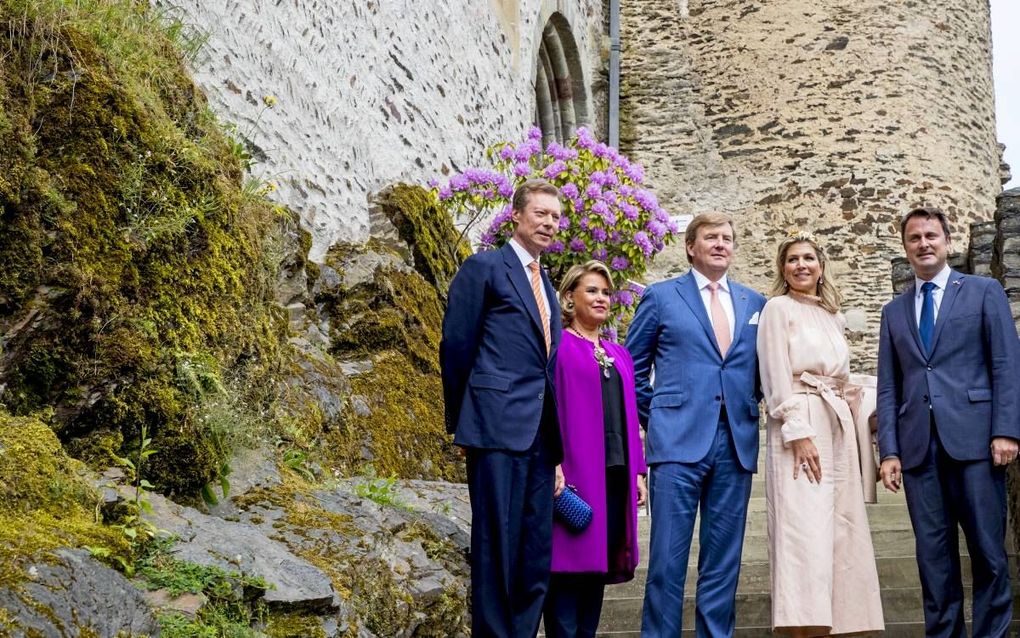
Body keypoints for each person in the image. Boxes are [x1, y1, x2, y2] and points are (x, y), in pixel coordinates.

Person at [877, 206, 1020, 638]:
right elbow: (889, 387)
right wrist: (889, 451)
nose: (923, 244)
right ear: (906, 247)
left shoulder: (982, 291)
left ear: (947, 242)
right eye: (915, 238)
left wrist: (1006, 430)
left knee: (988, 553)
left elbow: (1005, 364)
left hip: (977, 442)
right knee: (933, 559)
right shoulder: (894, 311)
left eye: (931, 236)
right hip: (919, 450)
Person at [625, 212, 766, 637]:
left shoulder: (754, 303)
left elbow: (763, 372)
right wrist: (659, 415)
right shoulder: (662, 296)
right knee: (667, 562)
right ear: (691, 246)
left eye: (727, 237)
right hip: (677, 445)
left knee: (723, 564)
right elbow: (631, 368)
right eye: (711, 237)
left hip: (736, 443)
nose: (721, 244)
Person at [440, 179, 566, 638]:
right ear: (516, 216)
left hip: (539, 435)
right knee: (496, 543)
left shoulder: (545, 282)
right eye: (541, 213)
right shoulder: (485, 268)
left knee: (535, 549)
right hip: (495, 427)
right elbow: (457, 347)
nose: (550, 222)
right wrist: (462, 422)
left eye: (555, 216)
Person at [756, 233, 884, 636]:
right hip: (800, 422)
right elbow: (774, 373)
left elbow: (844, 380)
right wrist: (797, 430)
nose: (800, 265)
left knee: (839, 530)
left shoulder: (832, 315)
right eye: (791, 259)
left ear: (821, 266)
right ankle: (802, 626)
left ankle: (838, 622)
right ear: (782, 269)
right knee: (803, 530)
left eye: (808, 258)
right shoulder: (777, 309)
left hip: (836, 424)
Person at [542, 261, 648, 638]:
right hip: (574, 476)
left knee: (596, 574)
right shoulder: (559, 347)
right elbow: (547, 408)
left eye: (605, 292)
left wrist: (638, 471)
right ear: (570, 298)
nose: (601, 298)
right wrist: (553, 464)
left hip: (614, 480)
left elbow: (631, 417)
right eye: (592, 290)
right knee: (568, 575)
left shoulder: (620, 355)